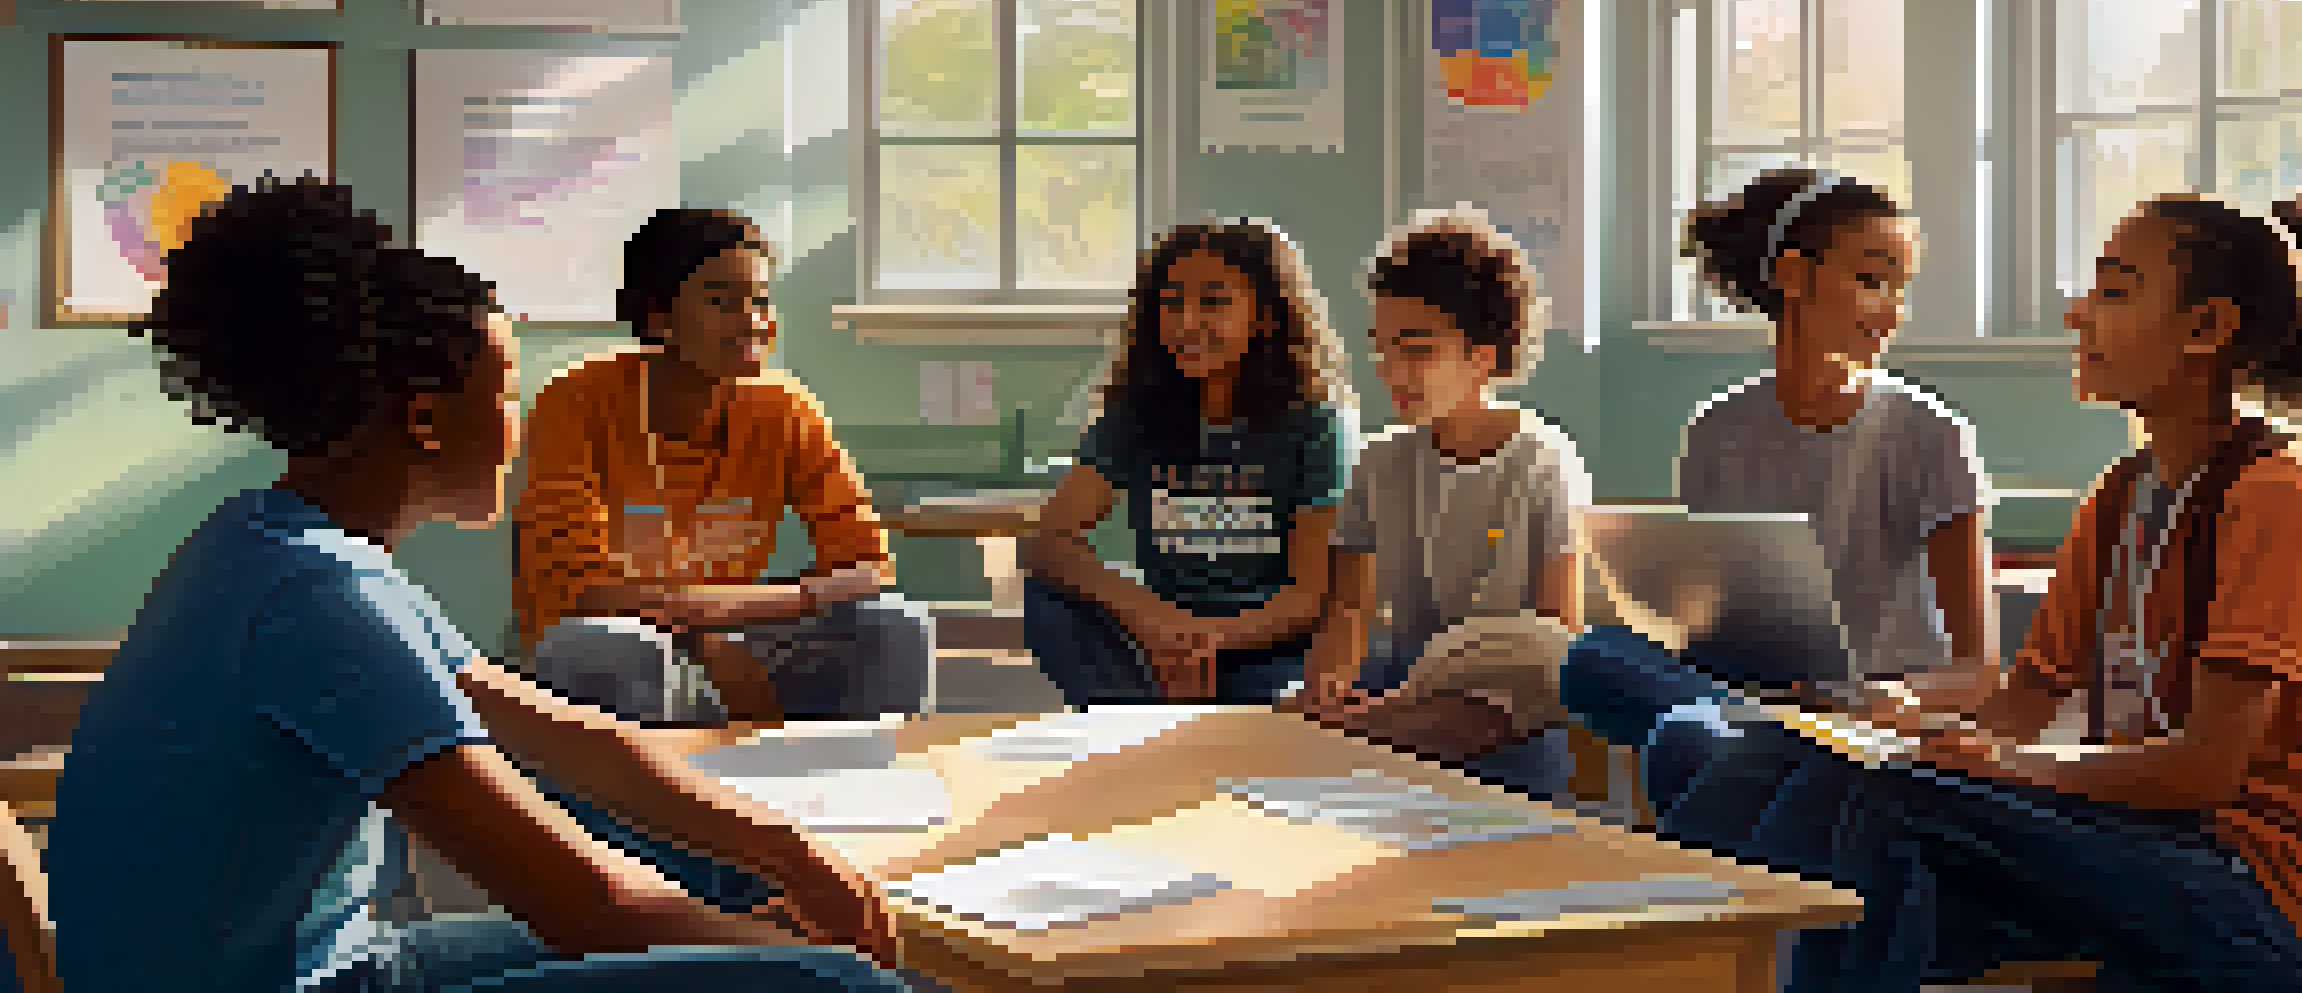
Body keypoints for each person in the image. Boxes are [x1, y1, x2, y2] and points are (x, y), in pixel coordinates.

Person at [46, 178, 905, 992]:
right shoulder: (320, 594)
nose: (521, 425)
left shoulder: (288, 542)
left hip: (329, 965)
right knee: (834, 981)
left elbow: (572, 736)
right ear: (424, 419)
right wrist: (785, 946)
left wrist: (791, 850)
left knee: (725, 905)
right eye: (508, 395)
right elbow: (586, 906)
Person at [1557, 187, 2302, 991]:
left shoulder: (2276, 494)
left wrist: (1998, 766)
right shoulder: (2122, 493)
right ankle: (1670, 957)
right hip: (2145, 849)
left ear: (2207, 328)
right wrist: (1931, 735)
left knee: (1871, 803)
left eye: (2115, 289)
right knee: (1775, 758)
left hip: (2269, 905)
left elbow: (2203, 775)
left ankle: (1670, 957)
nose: (2077, 311)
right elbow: (2027, 696)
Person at [514, 207, 931, 729]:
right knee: (613, 647)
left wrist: (727, 617)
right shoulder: (577, 400)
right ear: (658, 314)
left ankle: (873, 795)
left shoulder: (786, 409)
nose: (753, 321)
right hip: (614, 638)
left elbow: (870, 567)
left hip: (735, 632)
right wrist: (702, 623)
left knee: (895, 624)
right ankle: (643, 808)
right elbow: (582, 592)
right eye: (722, 301)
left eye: (760, 300)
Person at [1293, 205, 1590, 806]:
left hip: (1502, 706)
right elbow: (1349, 606)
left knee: (1524, 686)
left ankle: (1360, 733)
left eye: (1417, 350)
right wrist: (1327, 683)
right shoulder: (1379, 463)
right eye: (1382, 348)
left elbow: (1558, 626)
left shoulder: (1541, 459)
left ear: (1484, 354)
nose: (1392, 370)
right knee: (1318, 697)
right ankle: (1359, 726)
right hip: (1405, 683)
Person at [1674, 168, 1999, 713]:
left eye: (1902, 288)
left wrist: (1876, 699)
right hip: (1759, 700)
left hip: (1880, 714)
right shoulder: (1718, 428)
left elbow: (1979, 671)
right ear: (1793, 275)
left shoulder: (1925, 427)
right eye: (1873, 281)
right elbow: (1706, 620)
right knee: (1602, 664)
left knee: (1695, 744)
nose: (1893, 309)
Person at [1023, 219, 1359, 707]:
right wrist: (1154, 622)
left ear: (1265, 315)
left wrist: (1208, 641)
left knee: (1283, 691)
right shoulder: (1136, 413)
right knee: (1049, 602)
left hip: (1268, 645)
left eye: (1214, 302)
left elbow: (1307, 598)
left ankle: (1189, 707)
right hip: (1157, 633)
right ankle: (1148, 709)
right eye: (1172, 301)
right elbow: (1050, 543)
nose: (1187, 322)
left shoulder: (1317, 422)